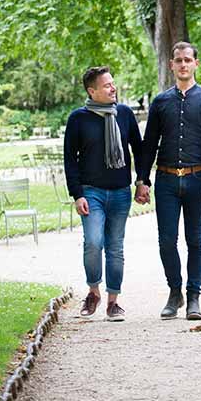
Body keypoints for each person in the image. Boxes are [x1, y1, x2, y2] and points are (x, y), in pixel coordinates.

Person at [139, 41, 201, 321]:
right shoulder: (161, 102)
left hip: (198, 178)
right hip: (165, 179)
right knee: (166, 241)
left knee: (196, 240)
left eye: (188, 59)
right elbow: (149, 143)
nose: (183, 64)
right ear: (172, 65)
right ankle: (174, 292)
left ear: (195, 63)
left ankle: (193, 297)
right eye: (179, 60)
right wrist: (142, 180)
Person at [63, 66, 143, 321]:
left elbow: (139, 150)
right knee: (94, 242)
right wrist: (77, 194)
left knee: (116, 248)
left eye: (113, 83)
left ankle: (113, 302)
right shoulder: (78, 118)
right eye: (107, 85)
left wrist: (142, 181)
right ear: (92, 90)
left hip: (120, 192)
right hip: (91, 192)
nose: (113, 88)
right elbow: (70, 160)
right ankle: (93, 292)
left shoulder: (125, 114)